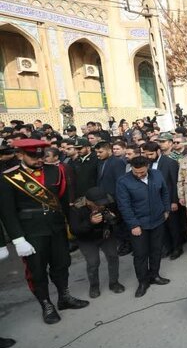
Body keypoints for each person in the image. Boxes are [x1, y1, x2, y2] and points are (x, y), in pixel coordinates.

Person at [0, 139, 89, 324]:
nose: (39, 159)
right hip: (31, 232)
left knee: (62, 264)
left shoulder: (55, 171)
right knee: (37, 271)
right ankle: (46, 304)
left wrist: (72, 227)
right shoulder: (9, 177)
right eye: (33, 156)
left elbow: (64, 203)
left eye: (41, 155)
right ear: (20, 155)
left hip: (56, 227)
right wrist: (18, 239)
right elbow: (7, 212)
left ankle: (64, 297)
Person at [116, 155, 171, 298]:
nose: (139, 175)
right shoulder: (123, 181)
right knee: (140, 254)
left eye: (142, 172)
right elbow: (124, 206)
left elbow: (164, 192)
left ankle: (155, 275)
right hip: (139, 225)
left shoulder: (157, 174)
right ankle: (143, 281)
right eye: (136, 172)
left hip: (158, 220)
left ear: (147, 167)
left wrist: (166, 209)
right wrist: (133, 224)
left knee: (156, 250)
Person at [68, 186, 124, 298]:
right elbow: (74, 230)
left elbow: (120, 217)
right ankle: (94, 286)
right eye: (97, 204)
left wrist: (115, 218)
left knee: (113, 256)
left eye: (103, 203)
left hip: (105, 233)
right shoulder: (77, 208)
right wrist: (90, 223)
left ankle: (114, 283)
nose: (101, 206)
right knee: (93, 262)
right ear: (88, 201)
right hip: (86, 239)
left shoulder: (109, 201)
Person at [141, 141, 182, 259]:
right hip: (154, 202)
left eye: (150, 154)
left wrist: (174, 201)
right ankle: (167, 248)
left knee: (173, 226)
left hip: (169, 200)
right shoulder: (147, 164)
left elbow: (175, 183)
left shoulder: (170, 163)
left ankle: (177, 248)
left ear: (158, 151)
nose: (148, 157)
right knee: (161, 227)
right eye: (146, 154)